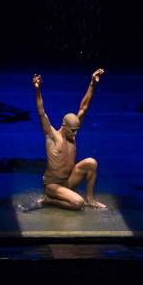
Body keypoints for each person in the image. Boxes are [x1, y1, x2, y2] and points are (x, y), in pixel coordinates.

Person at [33, 69, 107, 210]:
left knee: (92, 162)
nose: (74, 135)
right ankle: (49, 200)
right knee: (78, 203)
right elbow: (41, 112)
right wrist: (37, 90)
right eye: (72, 131)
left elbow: (84, 108)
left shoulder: (72, 133)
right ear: (64, 126)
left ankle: (90, 199)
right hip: (53, 185)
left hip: (67, 181)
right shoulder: (52, 136)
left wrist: (92, 83)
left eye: (77, 131)